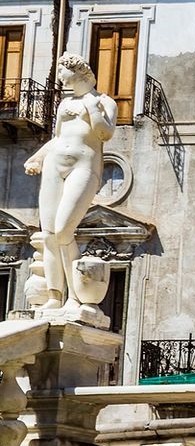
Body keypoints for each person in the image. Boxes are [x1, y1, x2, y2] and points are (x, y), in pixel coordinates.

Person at [23, 54, 115, 318]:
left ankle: (75, 296)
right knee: (50, 233)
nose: (59, 76)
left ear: (77, 72)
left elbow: (105, 133)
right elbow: (58, 137)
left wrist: (92, 107)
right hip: (54, 163)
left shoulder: (103, 101)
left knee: (64, 230)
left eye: (62, 71)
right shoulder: (65, 103)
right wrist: (38, 157)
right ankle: (55, 296)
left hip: (84, 166)